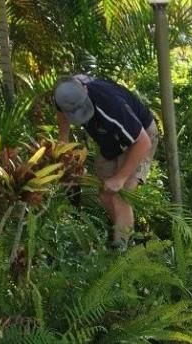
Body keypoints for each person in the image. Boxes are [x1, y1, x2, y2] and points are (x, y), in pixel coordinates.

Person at [54, 75, 159, 247]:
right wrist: (63, 143)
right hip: (110, 140)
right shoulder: (64, 95)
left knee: (121, 195)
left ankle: (122, 252)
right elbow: (61, 112)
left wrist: (120, 178)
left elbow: (143, 142)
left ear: (86, 90)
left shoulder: (111, 106)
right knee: (105, 194)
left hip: (140, 139)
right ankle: (126, 232)